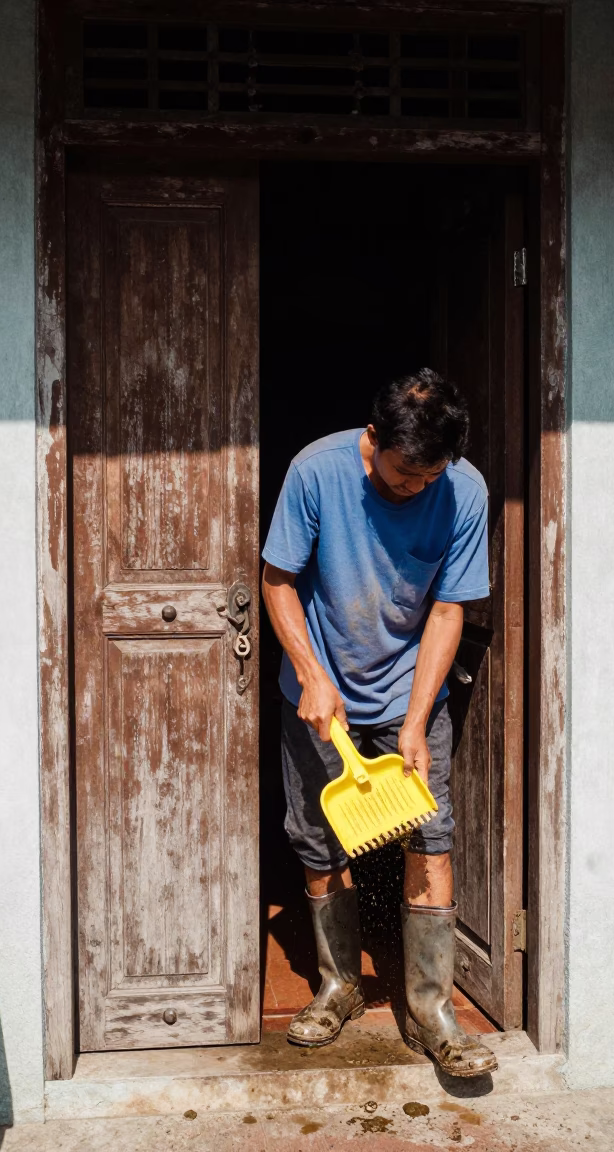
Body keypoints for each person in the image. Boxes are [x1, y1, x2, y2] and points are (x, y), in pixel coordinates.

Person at [261, 368, 497, 1079]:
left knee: (431, 833)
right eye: (403, 475)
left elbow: (450, 609)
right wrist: (311, 673)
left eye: (431, 475)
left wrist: (418, 720)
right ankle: (339, 985)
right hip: (320, 689)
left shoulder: (464, 490)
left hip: (409, 689)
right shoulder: (316, 471)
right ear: (373, 441)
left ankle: (432, 1011)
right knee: (316, 837)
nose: (417, 487)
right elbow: (278, 580)